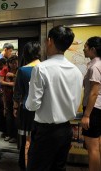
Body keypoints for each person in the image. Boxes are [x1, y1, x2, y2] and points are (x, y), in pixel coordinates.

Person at [25, 25, 83, 171]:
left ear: (49, 41)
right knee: (58, 167)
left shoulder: (41, 68)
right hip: (66, 129)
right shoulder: (76, 71)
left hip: (45, 131)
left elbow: (32, 105)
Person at [12, 41, 41, 169]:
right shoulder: (45, 67)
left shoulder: (23, 70)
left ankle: (26, 166)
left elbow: (18, 93)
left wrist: (15, 108)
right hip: (42, 110)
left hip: (27, 109)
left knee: (27, 141)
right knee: (38, 140)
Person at [81, 36, 101, 171]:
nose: (84, 49)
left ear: (93, 49)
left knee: (92, 148)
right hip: (98, 108)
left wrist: (87, 115)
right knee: (97, 146)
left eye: (86, 46)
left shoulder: (95, 66)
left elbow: (94, 92)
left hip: (93, 110)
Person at [0, 55, 18, 143]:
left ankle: (15, 136)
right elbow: (1, 81)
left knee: (16, 117)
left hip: (17, 97)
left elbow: (17, 83)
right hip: (7, 96)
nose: (14, 65)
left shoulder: (19, 70)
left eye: (15, 63)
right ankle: (9, 134)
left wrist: (13, 76)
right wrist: (11, 83)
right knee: (8, 116)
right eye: (12, 63)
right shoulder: (5, 69)